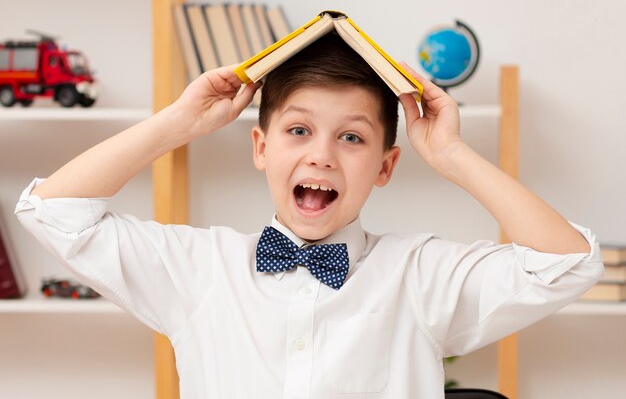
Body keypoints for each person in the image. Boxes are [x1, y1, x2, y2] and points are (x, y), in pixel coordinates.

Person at [15, 33, 603, 398]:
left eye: (352, 137)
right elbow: (53, 211)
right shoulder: (198, 269)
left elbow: (567, 265)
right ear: (261, 148)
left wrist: (450, 154)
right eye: (298, 130)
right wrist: (180, 124)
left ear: (385, 166)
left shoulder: (419, 274)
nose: (320, 153)